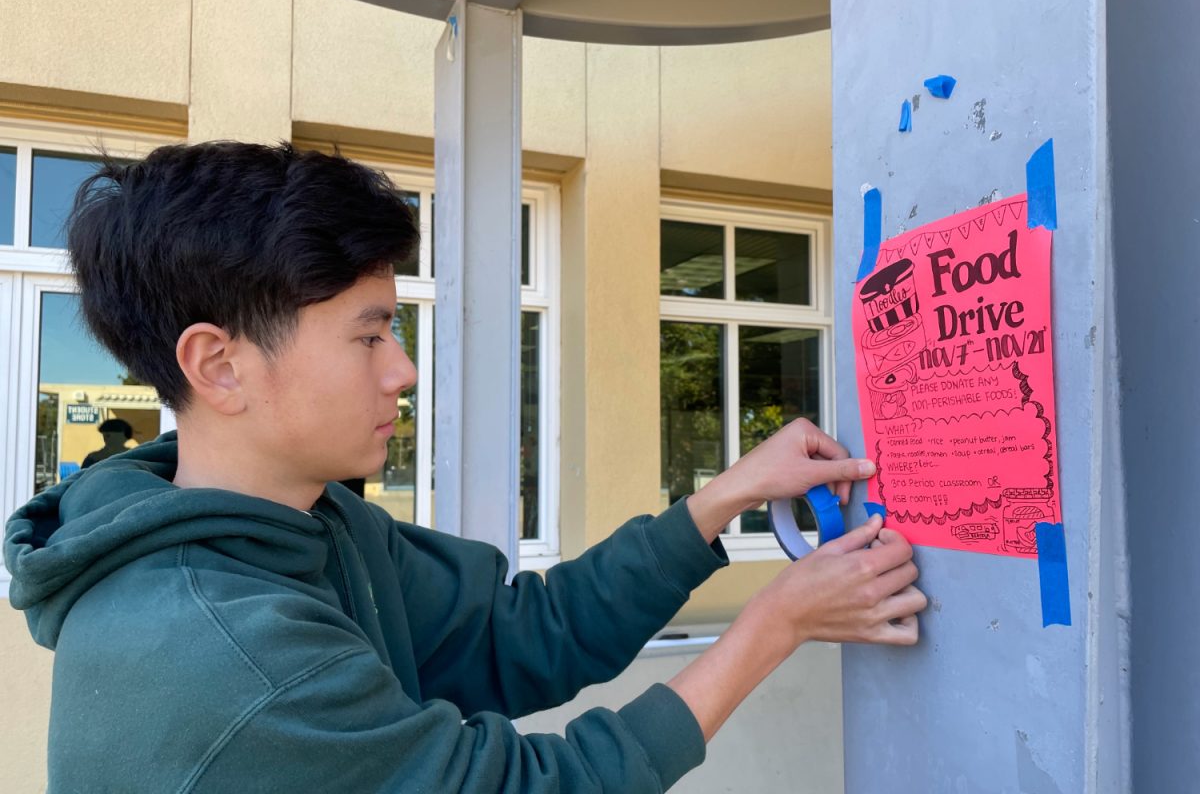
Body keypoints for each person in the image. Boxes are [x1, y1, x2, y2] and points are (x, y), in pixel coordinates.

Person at [4, 142, 926, 792]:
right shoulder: (222, 655)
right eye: (368, 334)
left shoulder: (313, 522)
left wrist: (721, 500)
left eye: (393, 328)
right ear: (220, 365)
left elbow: (521, 635)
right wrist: (774, 625)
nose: (401, 370)